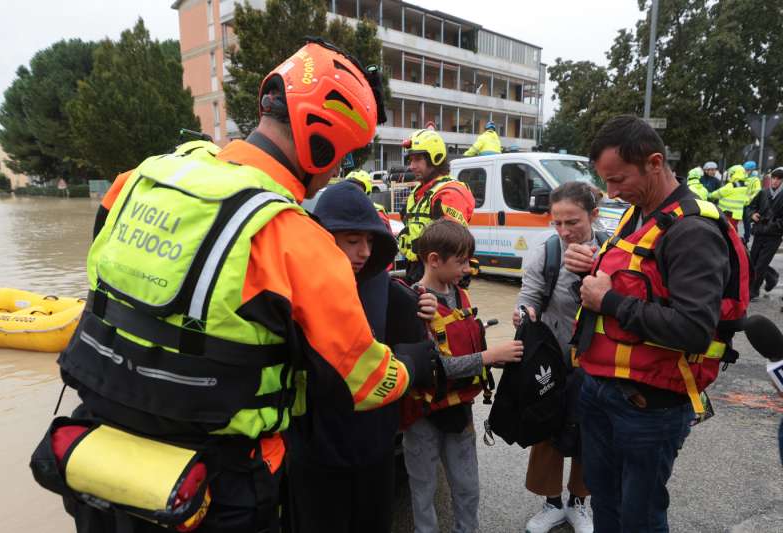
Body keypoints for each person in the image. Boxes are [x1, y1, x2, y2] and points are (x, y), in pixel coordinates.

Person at [42, 40, 438, 533]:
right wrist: (417, 363)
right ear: (324, 142)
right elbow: (364, 381)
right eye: (343, 155)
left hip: (97, 463)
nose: (337, 169)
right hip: (215, 489)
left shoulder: (138, 180)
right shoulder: (297, 240)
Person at [565, 115, 748, 532]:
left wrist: (606, 299)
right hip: (603, 390)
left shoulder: (692, 231)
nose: (611, 192)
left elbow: (693, 328)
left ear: (654, 162)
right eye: (605, 182)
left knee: (640, 517)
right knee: (606, 503)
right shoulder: (640, 212)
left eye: (618, 179)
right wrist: (591, 273)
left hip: (647, 407)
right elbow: (643, 285)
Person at [285, 181, 437, 533]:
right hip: (314, 455)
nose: (365, 252)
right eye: (353, 241)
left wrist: (425, 317)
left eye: (370, 241)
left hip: (375, 454)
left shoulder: (394, 296)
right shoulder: (290, 295)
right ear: (321, 238)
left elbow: (423, 360)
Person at [402, 219, 523, 533]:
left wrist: (501, 359)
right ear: (433, 260)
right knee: (423, 486)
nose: (468, 268)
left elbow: (466, 341)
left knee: (467, 486)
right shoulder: (415, 305)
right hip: (424, 415)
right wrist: (490, 356)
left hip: (459, 410)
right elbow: (437, 367)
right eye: (460, 262)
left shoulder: (461, 297)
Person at [512, 182, 601, 533]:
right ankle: (551, 503)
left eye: (573, 222)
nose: (564, 231)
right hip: (552, 356)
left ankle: (580, 501)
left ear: (593, 215)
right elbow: (528, 296)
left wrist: (594, 271)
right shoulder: (544, 254)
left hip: (596, 358)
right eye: (557, 222)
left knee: (590, 430)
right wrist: (523, 312)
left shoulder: (612, 251)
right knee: (546, 427)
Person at [398, 129, 475, 284]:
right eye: (411, 160)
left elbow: (453, 246)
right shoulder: (419, 192)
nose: (412, 166)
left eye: (418, 159)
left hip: (439, 277)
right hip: (417, 270)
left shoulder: (450, 193)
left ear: (436, 158)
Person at [747, 167, 783, 300]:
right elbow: (750, 207)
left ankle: (753, 291)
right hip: (759, 232)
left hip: (774, 236)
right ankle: (771, 277)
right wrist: (753, 215)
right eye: (773, 178)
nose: (775, 181)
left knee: (761, 264)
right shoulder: (763, 193)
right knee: (752, 262)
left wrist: (774, 225)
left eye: (779, 179)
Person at [710, 164, 750, 231]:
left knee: (727, 231)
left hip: (728, 213)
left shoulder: (732, 185)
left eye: (731, 174)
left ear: (735, 174)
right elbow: (746, 201)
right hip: (737, 214)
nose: (730, 175)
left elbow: (719, 192)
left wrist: (710, 195)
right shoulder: (745, 185)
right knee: (733, 230)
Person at [742, 161, 762, 245]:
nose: (745, 171)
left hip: (749, 205)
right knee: (743, 222)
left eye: (747, 170)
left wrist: (749, 199)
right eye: (745, 169)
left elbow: (757, 191)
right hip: (741, 204)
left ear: (752, 170)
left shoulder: (755, 179)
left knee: (747, 222)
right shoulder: (743, 178)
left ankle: (746, 238)